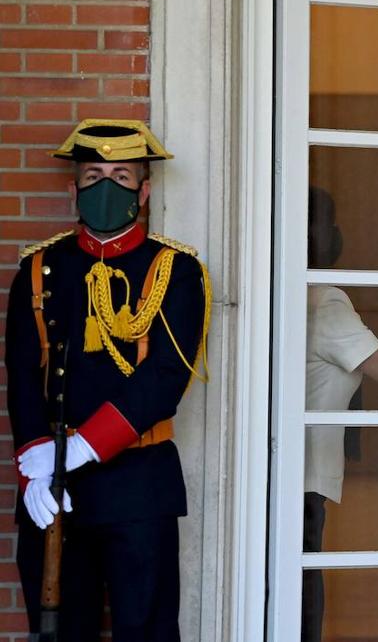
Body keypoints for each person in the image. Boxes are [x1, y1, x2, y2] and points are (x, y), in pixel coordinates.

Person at [6, 119, 212, 641]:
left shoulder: (175, 270)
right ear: (73, 188)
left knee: (145, 632)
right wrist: (34, 465)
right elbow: (22, 376)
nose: (106, 186)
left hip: (139, 484)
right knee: (59, 631)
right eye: (94, 173)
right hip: (55, 488)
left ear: (143, 192)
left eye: (121, 175)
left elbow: (165, 378)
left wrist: (78, 448)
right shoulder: (38, 269)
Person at [303, 186, 378, 642]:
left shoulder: (300, 295)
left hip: (295, 474)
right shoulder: (324, 301)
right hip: (303, 480)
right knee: (303, 606)